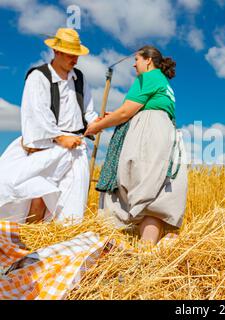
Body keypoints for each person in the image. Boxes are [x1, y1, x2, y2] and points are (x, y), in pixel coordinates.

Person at [84, 45, 188, 246]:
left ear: (148, 60)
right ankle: (146, 251)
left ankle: (136, 247)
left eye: (137, 60)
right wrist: (112, 116)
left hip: (148, 134)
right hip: (165, 134)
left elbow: (126, 112)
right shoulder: (164, 83)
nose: (134, 64)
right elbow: (129, 110)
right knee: (155, 193)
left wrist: (97, 126)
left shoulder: (147, 78)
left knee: (136, 183)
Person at [0, 28, 97, 225]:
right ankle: (32, 238)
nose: (75, 60)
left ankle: (58, 239)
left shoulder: (80, 80)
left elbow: (88, 112)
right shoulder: (39, 77)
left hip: (75, 148)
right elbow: (36, 112)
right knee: (38, 190)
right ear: (57, 52)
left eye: (77, 55)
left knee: (71, 199)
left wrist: (99, 122)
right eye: (71, 55)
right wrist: (60, 137)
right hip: (46, 144)